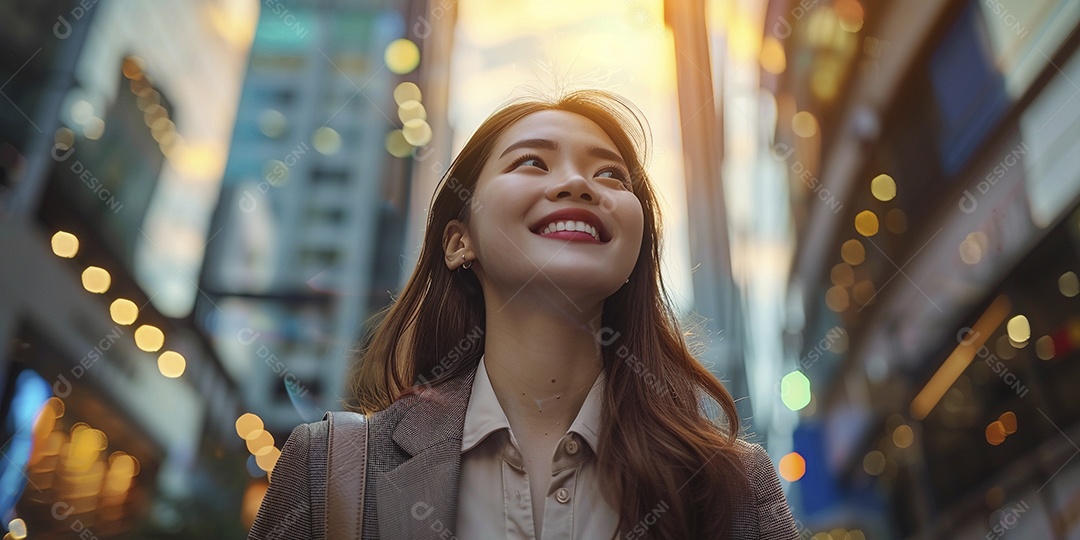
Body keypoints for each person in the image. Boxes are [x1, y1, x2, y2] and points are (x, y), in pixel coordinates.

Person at [249, 90, 800, 539]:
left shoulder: (734, 485)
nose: (578, 184)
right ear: (459, 242)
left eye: (611, 175)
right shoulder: (334, 471)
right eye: (531, 161)